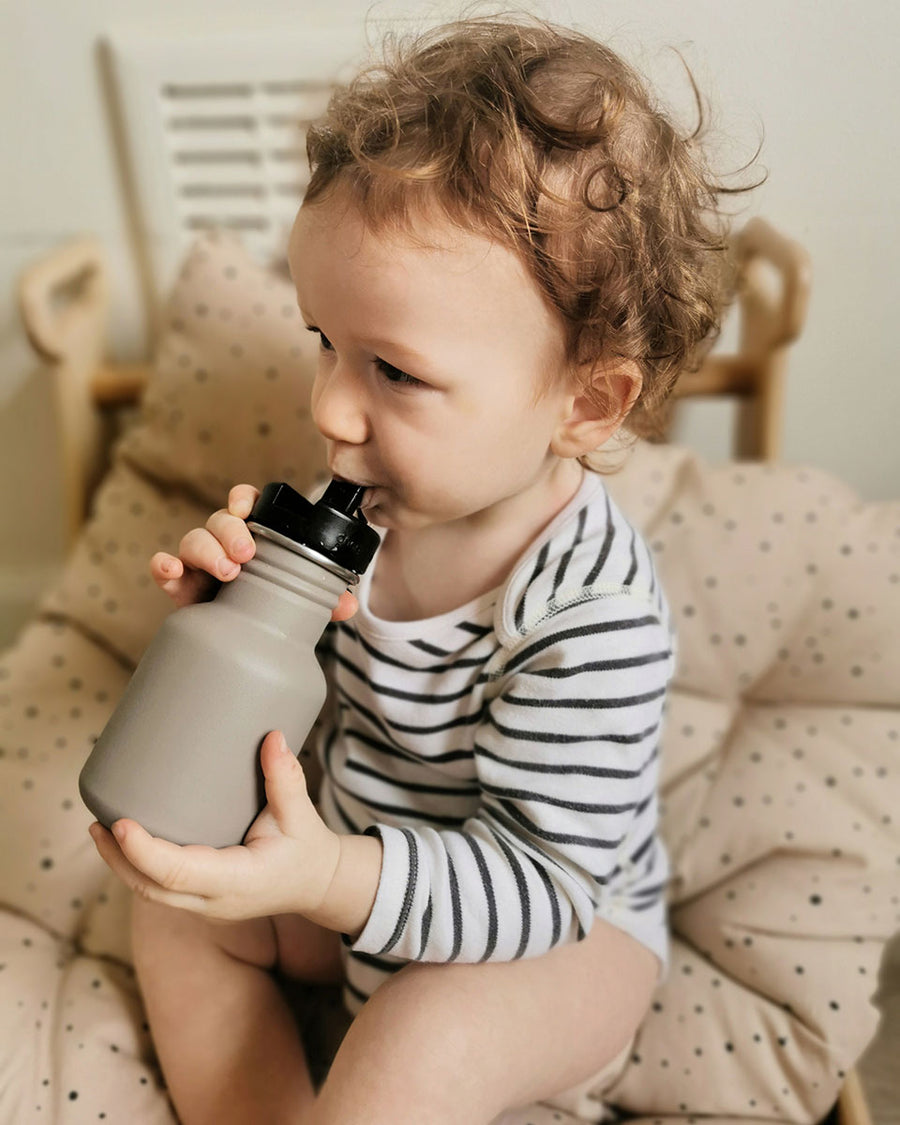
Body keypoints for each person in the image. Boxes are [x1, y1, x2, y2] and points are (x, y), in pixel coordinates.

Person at [89, 14, 741, 1125]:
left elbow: (541, 886)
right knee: (172, 903)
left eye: (393, 369)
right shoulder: (376, 490)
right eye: (322, 343)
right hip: (344, 869)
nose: (331, 407)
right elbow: (275, 703)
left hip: (553, 937)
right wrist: (231, 610)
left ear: (584, 403)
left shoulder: (590, 615)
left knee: (417, 1038)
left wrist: (325, 881)